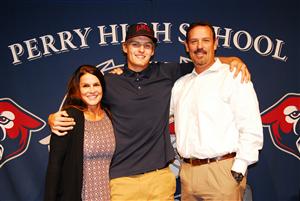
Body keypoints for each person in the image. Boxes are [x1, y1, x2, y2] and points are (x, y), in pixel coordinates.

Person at [48, 23, 250, 201]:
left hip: (160, 178)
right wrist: (54, 118)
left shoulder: (167, 73)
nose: (141, 50)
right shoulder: (109, 81)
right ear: (125, 48)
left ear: (153, 51)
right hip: (122, 181)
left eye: (147, 45)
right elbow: (81, 98)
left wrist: (234, 59)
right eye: (135, 44)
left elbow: (203, 60)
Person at [170, 22, 263, 201]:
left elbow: (250, 126)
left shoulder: (233, 76)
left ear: (215, 43)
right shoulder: (181, 85)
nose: (199, 46)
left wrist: (240, 167)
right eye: (194, 41)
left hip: (223, 171)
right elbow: (158, 116)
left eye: (205, 40)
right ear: (186, 46)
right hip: (188, 173)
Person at [44, 65, 115, 201]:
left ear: (102, 87)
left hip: (110, 196)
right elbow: (54, 165)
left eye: (96, 85)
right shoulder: (68, 117)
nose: (92, 90)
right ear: (78, 89)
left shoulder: (109, 115)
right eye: (86, 86)